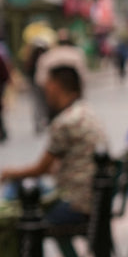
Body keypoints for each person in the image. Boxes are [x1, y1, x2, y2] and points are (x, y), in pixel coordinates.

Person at [0, 65, 107, 225]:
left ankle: (24, 247)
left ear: (56, 86)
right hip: (94, 198)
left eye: (47, 84)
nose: (45, 90)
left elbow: (40, 169)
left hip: (76, 203)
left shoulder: (65, 122)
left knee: (17, 209)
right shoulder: (84, 111)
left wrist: (9, 173)